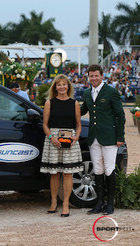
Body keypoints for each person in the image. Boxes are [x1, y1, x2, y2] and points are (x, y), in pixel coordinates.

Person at [81, 64, 125, 215]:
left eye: (96, 75)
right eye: (91, 76)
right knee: (98, 169)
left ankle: (110, 204)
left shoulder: (111, 92)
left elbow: (120, 115)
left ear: (102, 76)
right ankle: (99, 203)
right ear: (88, 77)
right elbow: (82, 110)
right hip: (94, 136)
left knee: (109, 169)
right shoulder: (87, 93)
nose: (93, 78)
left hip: (109, 137)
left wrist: (120, 136)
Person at [40, 74, 83, 217]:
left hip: (69, 140)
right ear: (55, 87)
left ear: (68, 86)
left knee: (68, 173)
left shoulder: (75, 103)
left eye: (64, 84)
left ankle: (65, 203)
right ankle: (53, 202)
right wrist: (51, 137)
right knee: (55, 172)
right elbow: (45, 125)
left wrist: (76, 136)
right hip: (53, 139)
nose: (62, 87)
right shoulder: (49, 103)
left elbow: (78, 125)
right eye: (59, 84)